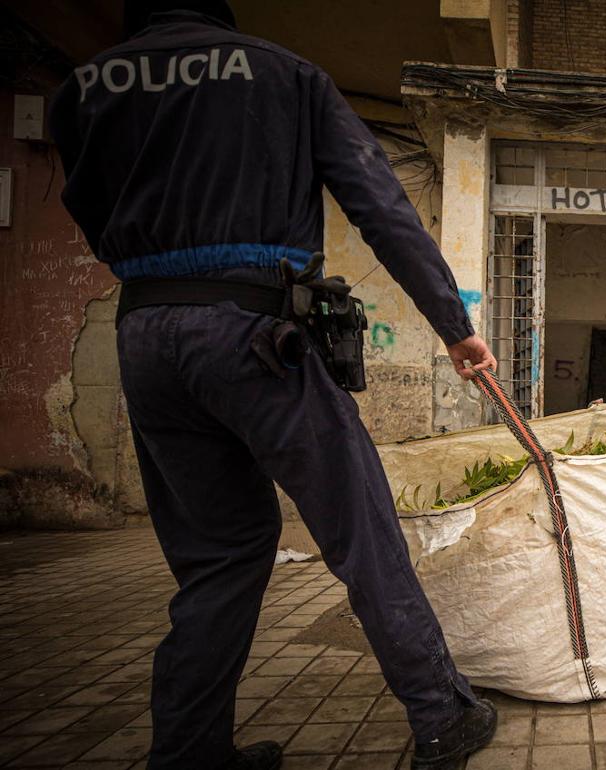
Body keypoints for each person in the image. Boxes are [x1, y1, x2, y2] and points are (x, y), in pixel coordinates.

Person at [49, 2, 497, 768]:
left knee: (219, 554)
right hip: (258, 332)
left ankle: (189, 751)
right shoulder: (284, 72)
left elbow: (89, 211)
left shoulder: (84, 88)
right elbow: (380, 207)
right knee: (360, 526)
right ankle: (438, 713)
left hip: (146, 335)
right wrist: (455, 325)